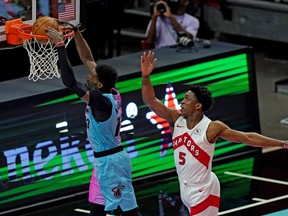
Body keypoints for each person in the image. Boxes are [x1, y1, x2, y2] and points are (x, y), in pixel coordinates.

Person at [140, 50, 288, 215]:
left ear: (198, 106)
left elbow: (247, 138)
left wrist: (281, 143)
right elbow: (151, 101)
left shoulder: (211, 127)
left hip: (204, 190)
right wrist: (146, 77)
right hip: (184, 187)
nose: (182, 102)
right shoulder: (175, 119)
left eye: (187, 99)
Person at [46, 26, 141, 216]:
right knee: (97, 208)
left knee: (129, 212)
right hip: (104, 161)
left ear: (99, 84)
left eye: (92, 76)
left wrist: (60, 46)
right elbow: (88, 59)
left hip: (110, 162)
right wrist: (77, 34)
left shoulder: (101, 101)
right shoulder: (111, 91)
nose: (88, 75)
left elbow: (70, 82)